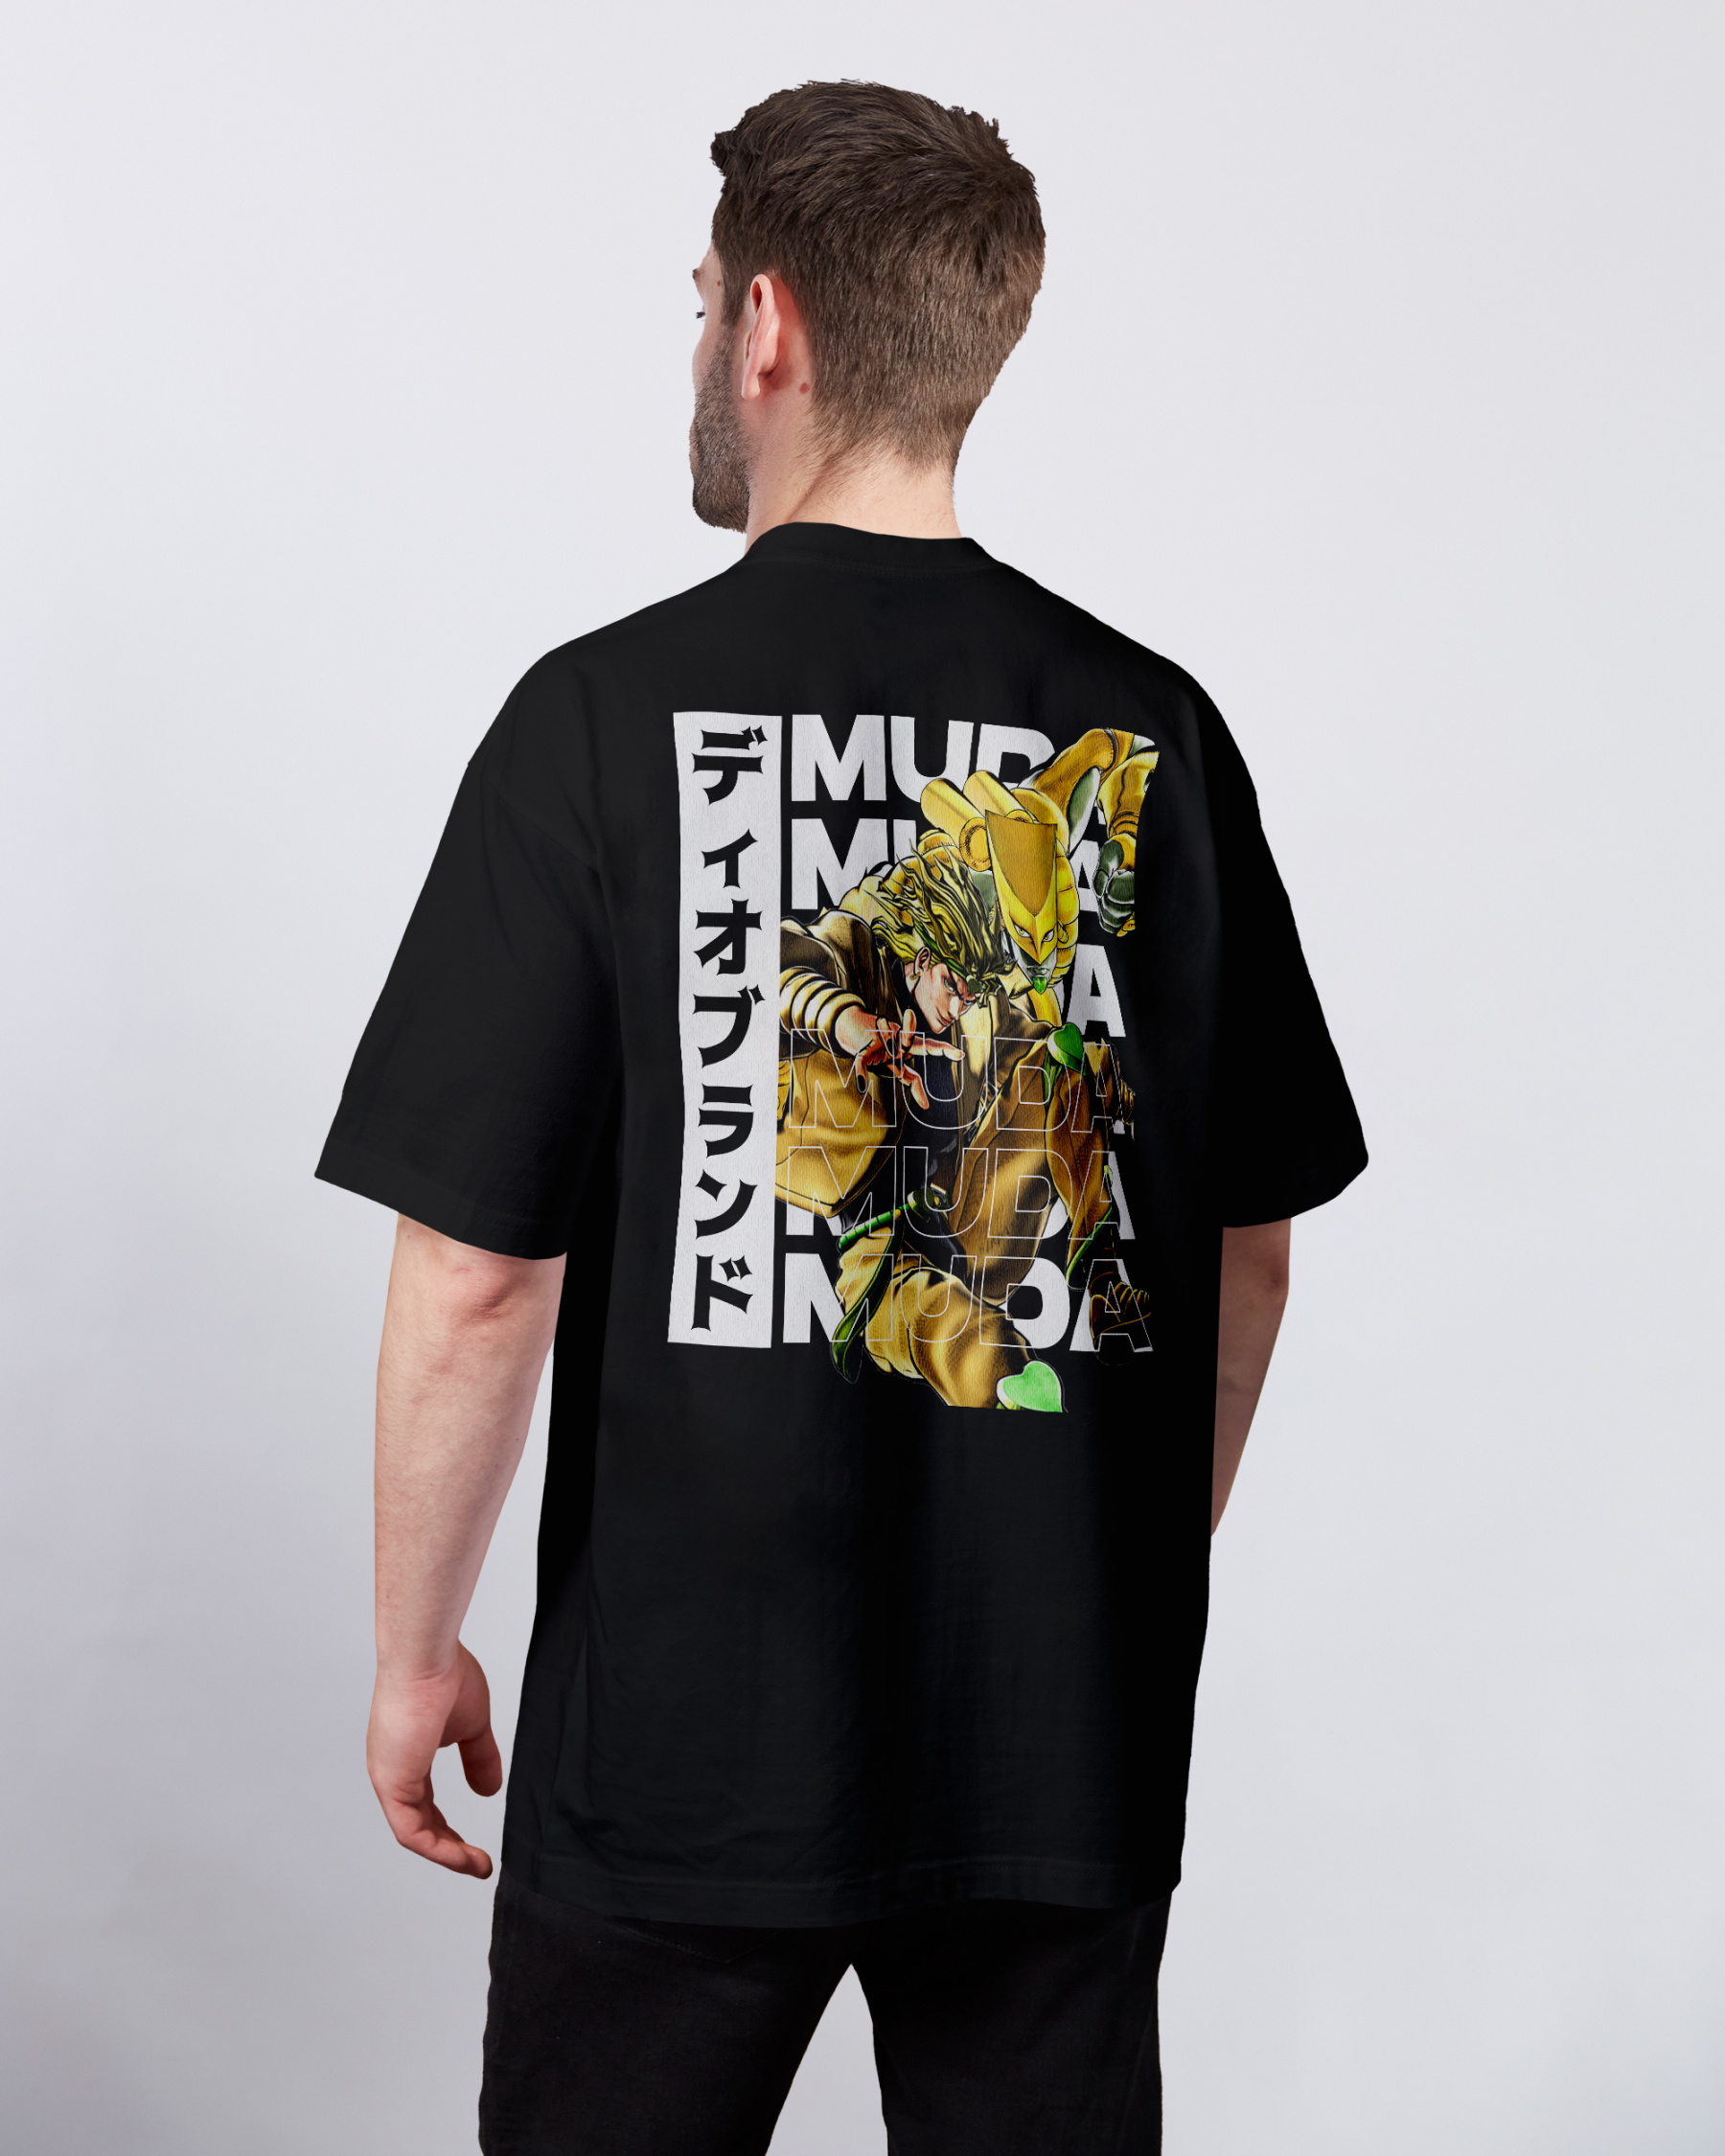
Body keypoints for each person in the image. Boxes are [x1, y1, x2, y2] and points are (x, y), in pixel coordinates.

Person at [318, 80, 1366, 2156]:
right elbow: (1245, 1246)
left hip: (679, 1749)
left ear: (768, 327)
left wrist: (413, 1651)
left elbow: (477, 1276)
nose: (701, 335)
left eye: (702, 295)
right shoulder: (1151, 729)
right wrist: (1100, 1572)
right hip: (1054, 1747)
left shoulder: (596, 720)